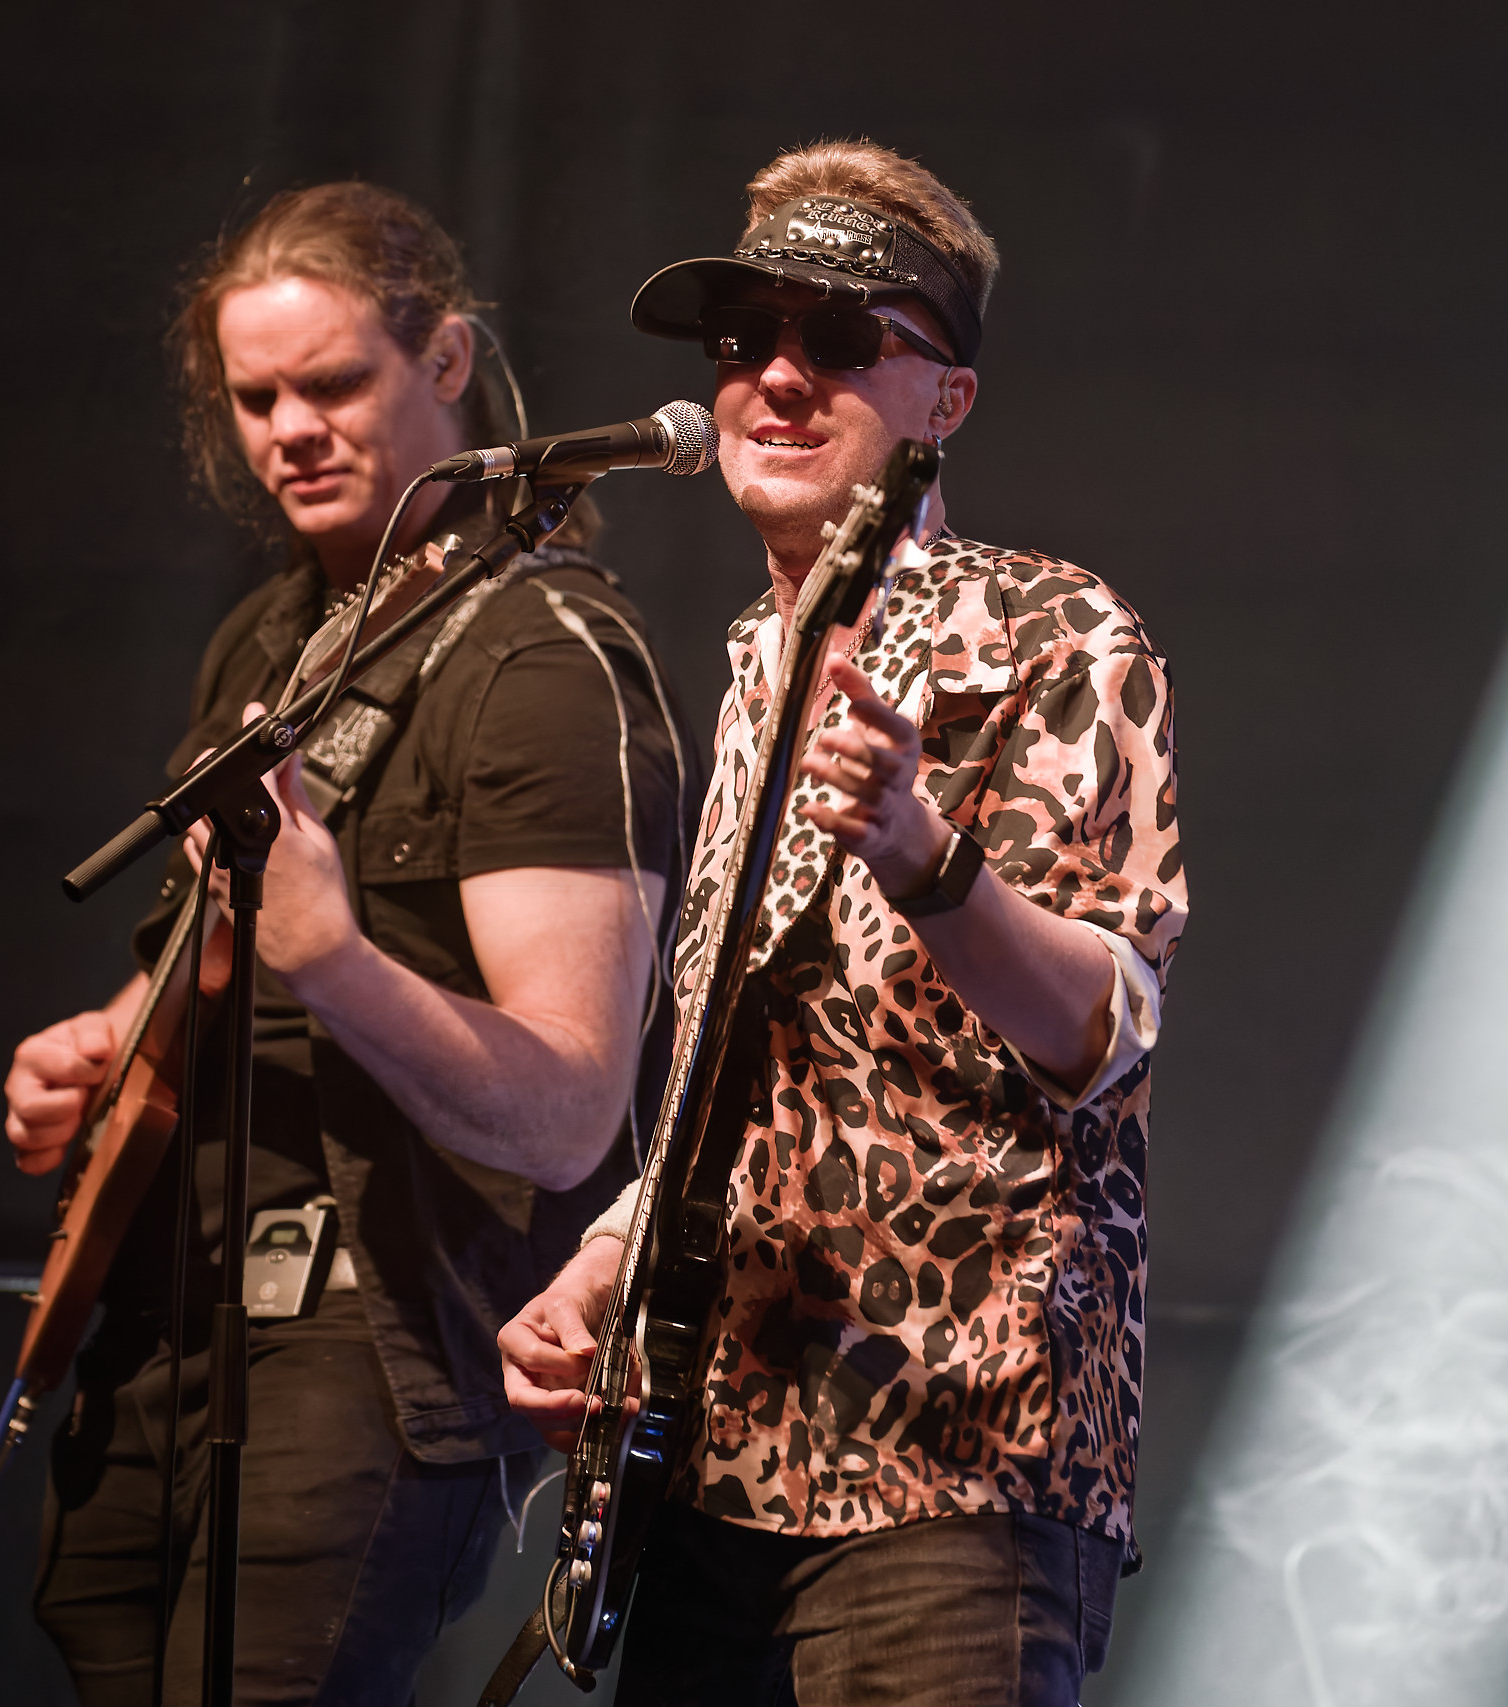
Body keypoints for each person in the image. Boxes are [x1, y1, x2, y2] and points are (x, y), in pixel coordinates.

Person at [497, 141, 1188, 1706]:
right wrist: (606, 1260)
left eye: (838, 337)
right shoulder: (754, 663)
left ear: (947, 398)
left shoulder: (1056, 632)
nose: (778, 377)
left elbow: (1106, 1028)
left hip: (957, 1459)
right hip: (718, 1455)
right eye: (746, 338)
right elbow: (753, 1071)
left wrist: (924, 856)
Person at [2, 181, 691, 1707]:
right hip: (163, 1330)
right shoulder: (268, 636)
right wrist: (109, 1043)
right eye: (255, 400)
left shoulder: (546, 665)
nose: (290, 431)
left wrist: (337, 960)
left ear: (446, 361)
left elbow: (571, 1109)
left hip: (364, 1355)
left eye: (331, 384)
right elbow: (214, 947)